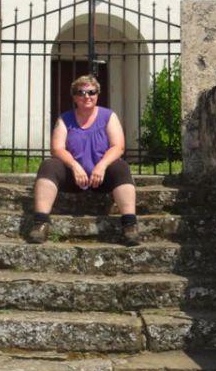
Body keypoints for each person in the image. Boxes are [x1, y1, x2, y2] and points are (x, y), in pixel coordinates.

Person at [28, 74, 140, 246]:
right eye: (81, 92)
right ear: (74, 97)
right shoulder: (65, 119)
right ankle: (41, 223)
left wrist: (102, 165)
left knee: (121, 167)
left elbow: (118, 146)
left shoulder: (108, 116)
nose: (86, 96)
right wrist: (74, 166)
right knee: (48, 165)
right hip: (74, 176)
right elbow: (57, 148)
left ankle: (129, 226)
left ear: (97, 94)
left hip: (101, 176)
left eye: (91, 92)